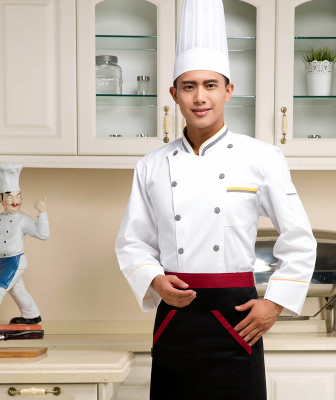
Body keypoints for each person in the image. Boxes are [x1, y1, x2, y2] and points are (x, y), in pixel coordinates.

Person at [115, 1, 317, 398]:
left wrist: (274, 303)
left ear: (228, 91)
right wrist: (155, 279)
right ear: (174, 94)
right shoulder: (151, 165)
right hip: (175, 318)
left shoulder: (262, 158)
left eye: (210, 85)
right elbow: (132, 241)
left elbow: (299, 239)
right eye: (189, 86)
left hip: (236, 316)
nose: (200, 97)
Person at [0, 163, 49, 325]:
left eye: (18, 196)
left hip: (15, 261)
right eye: (9, 196)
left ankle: (31, 314)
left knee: (0, 287)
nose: (15, 201)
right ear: (1, 199)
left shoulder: (23, 219)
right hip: (1, 261)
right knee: (17, 289)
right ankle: (31, 314)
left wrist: (43, 213)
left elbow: (42, 234)